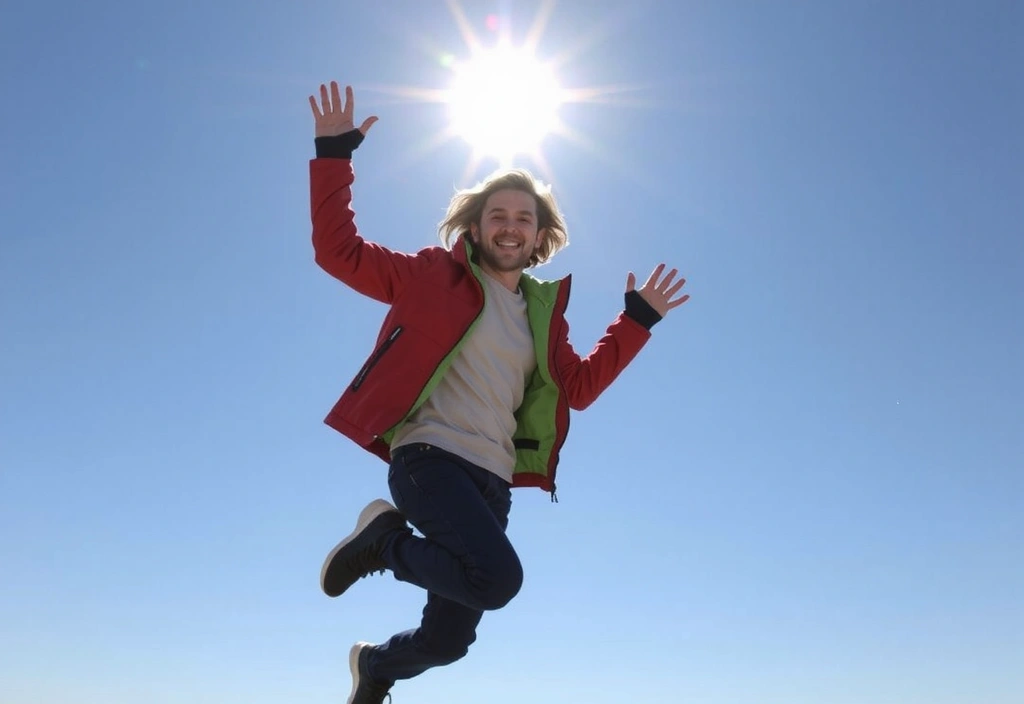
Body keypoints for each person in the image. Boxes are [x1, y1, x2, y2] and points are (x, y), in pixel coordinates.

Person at [307, 81, 690, 704]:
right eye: (498, 216)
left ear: (540, 236)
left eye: (523, 219)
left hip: (493, 483)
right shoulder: (431, 275)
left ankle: (376, 666)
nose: (510, 228)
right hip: (428, 459)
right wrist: (333, 155)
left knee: (450, 641)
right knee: (498, 579)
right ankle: (385, 543)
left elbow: (581, 387)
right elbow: (338, 252)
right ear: (476, 227)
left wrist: (635, 322)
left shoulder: (544, 315)